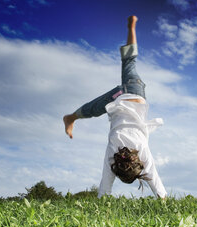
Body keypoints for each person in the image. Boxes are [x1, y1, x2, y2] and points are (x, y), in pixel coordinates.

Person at [63, 16, 167, 199]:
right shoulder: (112, 152)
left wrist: (163, 199)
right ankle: (72, 117)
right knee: (94, 109)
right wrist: (103, 200)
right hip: (118, 99)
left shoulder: (141, 150)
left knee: (129, 61)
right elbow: (106, 183)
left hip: (136, 91)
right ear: (116, 166)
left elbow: (153, 177)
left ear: (138, 163)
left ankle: (131, 27)